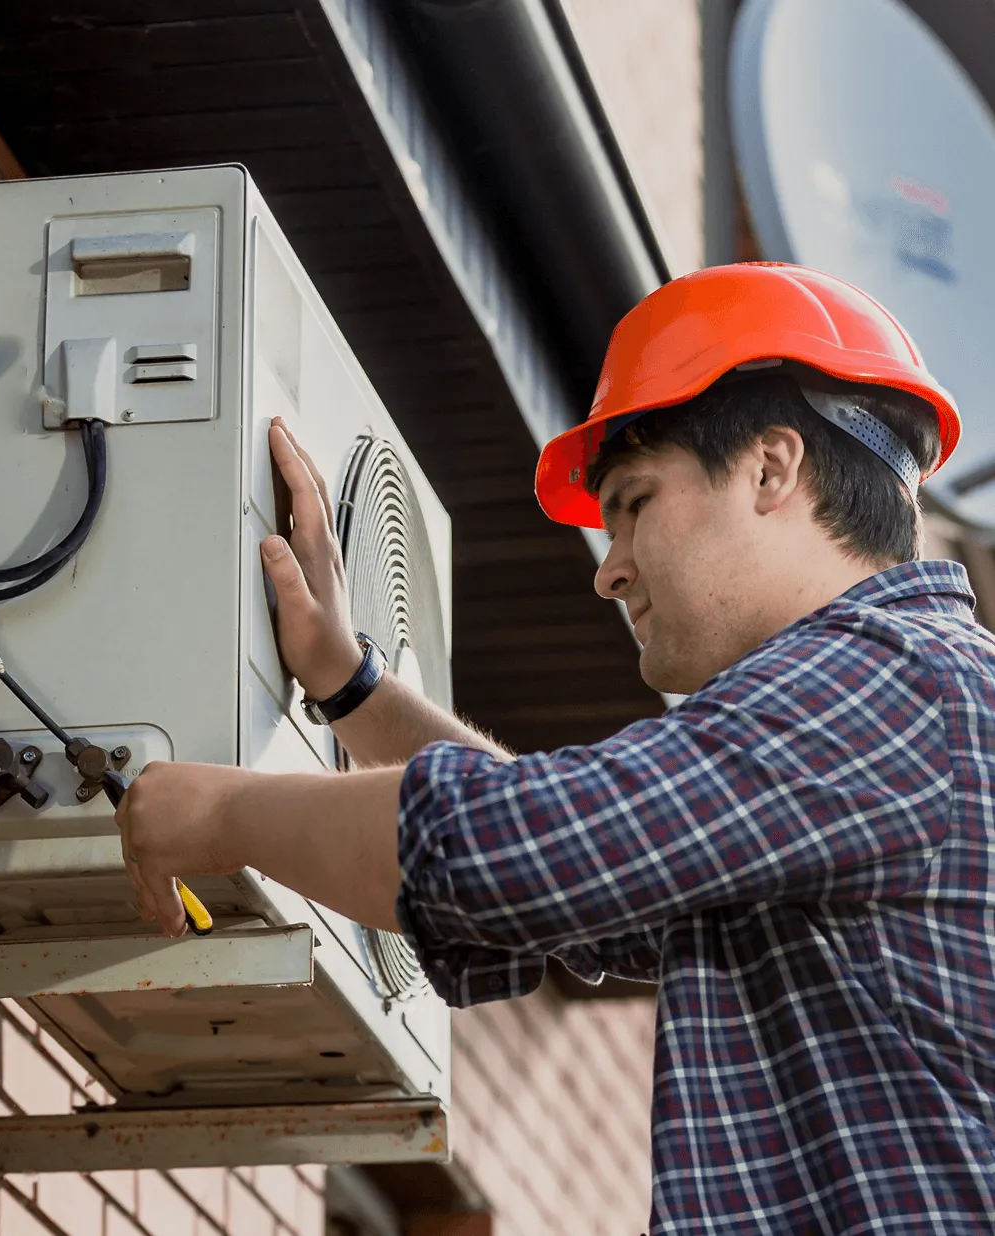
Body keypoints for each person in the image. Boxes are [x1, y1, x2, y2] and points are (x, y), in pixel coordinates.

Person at [115, 263, 995, 1233]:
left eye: (632, 502)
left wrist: (211, 812)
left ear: (769, 469)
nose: (608, 572)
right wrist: (352, 689)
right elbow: (579, 864)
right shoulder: (910, 703)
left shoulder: (885, 682)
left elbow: (514, 850)